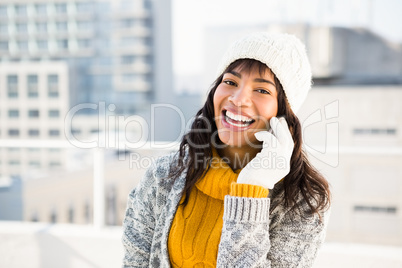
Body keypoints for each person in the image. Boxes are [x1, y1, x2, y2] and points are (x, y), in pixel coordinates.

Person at [122, 32, 331, 268]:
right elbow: (135, 260)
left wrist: (251, 189)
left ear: (284, 115)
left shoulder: (303, 200)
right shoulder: (165, 174)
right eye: (230, 82)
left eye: (262, 90)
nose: (238, 98)